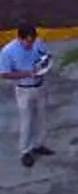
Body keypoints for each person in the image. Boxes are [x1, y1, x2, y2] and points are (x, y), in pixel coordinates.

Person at [4, 23, 53, 169]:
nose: (30, 44)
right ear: (20, 38)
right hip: (24, 89)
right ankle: (25, 150)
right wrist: (27, 74)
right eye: (27, 42)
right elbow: (5, 73)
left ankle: (38, 144)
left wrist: (45, 64)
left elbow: (45, 56)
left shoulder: (38, 43)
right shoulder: (8, 52)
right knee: (27, 120)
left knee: (42, 117)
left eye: (32, 41)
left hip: (40, 86)